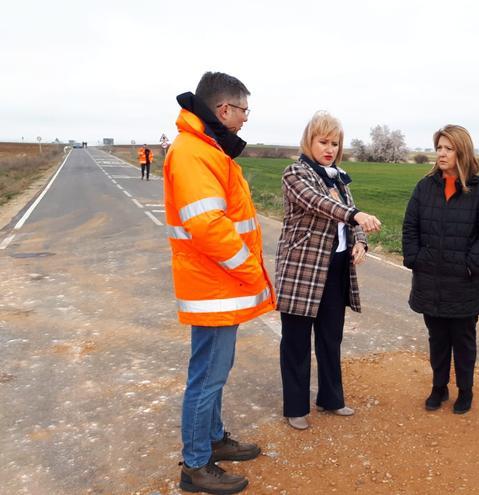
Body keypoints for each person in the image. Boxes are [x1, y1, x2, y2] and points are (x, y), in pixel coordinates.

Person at [165, 71, 276, 494]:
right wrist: (249, 269)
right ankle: (196, 465)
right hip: (214, 285)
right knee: (207, 376)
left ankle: (212, 439)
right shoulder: (193, 152)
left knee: (215, 370)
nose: (246, 118)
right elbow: (207, 225)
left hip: (218, 286)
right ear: (225, 109)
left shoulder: (206, 148)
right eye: (244, 110)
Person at [275, 111, 382, 431]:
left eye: (335, 143)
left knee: (330, 337)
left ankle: (331, 398)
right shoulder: (295, 173)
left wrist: (360, 241)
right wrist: (356, 215)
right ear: (309, 141)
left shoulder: (338, 177)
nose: (329, 149)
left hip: (336, 267)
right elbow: (319, 203)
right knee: (296, 341)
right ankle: (295, 407)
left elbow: (349, 216)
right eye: (323, 142)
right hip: (302, 270)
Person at [402, 125, 479, 414]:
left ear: (462, 152)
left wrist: (470, 264)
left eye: (448, 148)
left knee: (464, 341)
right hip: (430, 279)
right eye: (439, 148)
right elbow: (410, 227)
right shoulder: (425, 187)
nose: (442, 154)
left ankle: (465, 391)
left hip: (464, 283)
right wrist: (415, 259)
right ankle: (439, 387)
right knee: (438, 339)